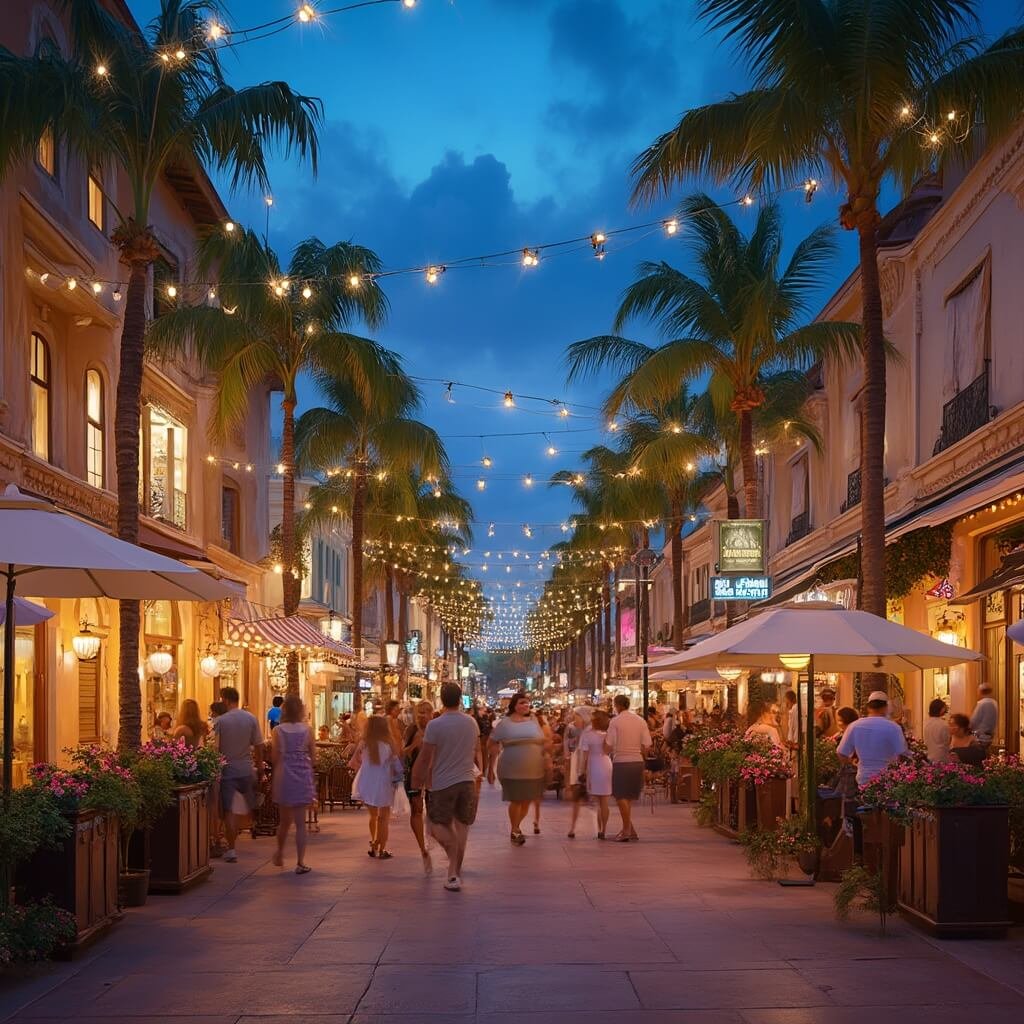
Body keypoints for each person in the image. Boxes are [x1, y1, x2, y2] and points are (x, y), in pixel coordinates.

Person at [413, 683, 481, 893]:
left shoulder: (436, 725)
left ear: (441, 699)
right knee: (462, 828)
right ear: (460, 698)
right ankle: (454, 874)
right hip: (467, 780)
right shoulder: (471, 723)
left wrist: (416, 784)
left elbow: (425, 758)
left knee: (434, 826)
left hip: (443, 783)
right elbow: (476, 749)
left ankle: (452, 858)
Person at [211, 686, 263, 863]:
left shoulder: (221, 722)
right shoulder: (251, 718)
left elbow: (215, 748)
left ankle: (232, 848)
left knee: (229, 811)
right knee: (248, 805)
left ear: (225, 700)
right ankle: (250, 822)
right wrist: (259, 766)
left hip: (228, 770)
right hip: (246, 769)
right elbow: (259, 744)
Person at [488, 693, 548, 846]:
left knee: (527, 800)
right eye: (522, 703)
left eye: (528, 703)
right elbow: (491, 743)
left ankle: (516, 827)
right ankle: (515, 830)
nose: (526, 705)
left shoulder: (534, 721)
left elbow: (543, 740)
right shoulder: (505, 724)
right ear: (514, 705)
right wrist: (490, 767)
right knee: (516, 800)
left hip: (533, 769)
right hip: (511, 768)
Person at [270, 695, 315, 873]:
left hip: (284, 775)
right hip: (302, 774)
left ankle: (280, 853)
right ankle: (300, 861)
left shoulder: (278, 731)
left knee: (284, 821)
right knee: (300, 823)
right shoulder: (308, 730)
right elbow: (313, 756)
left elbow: (274, 757)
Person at [351, 715, 400, 859]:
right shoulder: (388, 744)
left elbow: (354, 761)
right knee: (383, 818)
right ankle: (381, 848)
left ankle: (374, 844)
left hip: (366, 782)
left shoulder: (364, 743)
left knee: (373, 816)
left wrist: (364, 766)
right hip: (383, 782)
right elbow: (396, 765)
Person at [604, 694, 652, 842]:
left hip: (622, 761)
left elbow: (608, 745)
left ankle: (626, 830)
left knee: (620, 796)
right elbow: (647, 745)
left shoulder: (615, 721)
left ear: (617, 705)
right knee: (628, 798)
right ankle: (630, 829)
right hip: (637, 761)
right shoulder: (640, 720)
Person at [836, 691, 908, 787]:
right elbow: (903, 753)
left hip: (864, 778)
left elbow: (841, 753)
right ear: (886, 707)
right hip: (887, 779)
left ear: (868, 707)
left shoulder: (855, 726)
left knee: (866, 801)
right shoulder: (893, 727)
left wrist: (853, 763)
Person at [402, 699, 436, 875]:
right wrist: (414, 745)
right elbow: (402, 753)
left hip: (434, 777)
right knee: (416, 810)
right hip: (414, 777)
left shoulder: (437, 729)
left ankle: (432, 839)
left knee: (433, 814)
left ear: (432, 713)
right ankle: (423, 848)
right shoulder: (411, 730)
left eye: (426, 712)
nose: (422, 715)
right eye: (420, 712)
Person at [579, 708, 612, 839]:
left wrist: (582, 770)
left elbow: (585, 756)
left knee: (599, 802)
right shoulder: (607, 734)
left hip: (594, 764)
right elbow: (610, 749)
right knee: (605, 801)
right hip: (606, 763)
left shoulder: (587, 735)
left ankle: (600, 829)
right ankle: (603, 829)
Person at [530, 709, 555, 835]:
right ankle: (536, 820)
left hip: (531, 762)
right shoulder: (545, 727)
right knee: (537, 796)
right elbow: (550, 744)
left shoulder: (528, 728)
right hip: (541, 760)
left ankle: (533, 821)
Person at [969, 684, 998, 754]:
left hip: (980, 736)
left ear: (980, 692)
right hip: (989, 735)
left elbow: (974, 720)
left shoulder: (983, 703)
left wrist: (967, 728)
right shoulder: (994, 702)